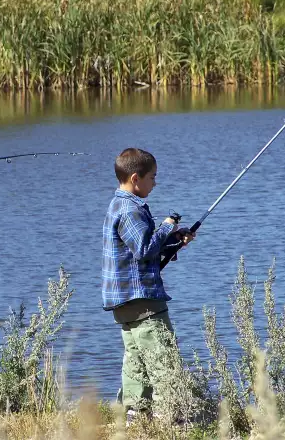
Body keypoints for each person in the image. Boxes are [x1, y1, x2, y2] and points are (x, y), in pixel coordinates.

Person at [102, 147, 195, 423]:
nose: (155, 182)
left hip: (125, 300)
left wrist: (175, 239)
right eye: (153, 177)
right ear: (135, 178)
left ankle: (136, 415)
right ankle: (172, 417)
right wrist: (167, 226)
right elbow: (144, 249)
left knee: (136, 360)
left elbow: (139, 250)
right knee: (162, 357)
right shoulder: (130, 209)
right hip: (142, 299)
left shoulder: (118, 205)